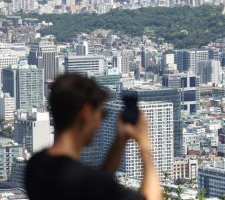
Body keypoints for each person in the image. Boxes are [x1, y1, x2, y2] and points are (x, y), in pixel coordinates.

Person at [25, 73, 162, 200]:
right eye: (102, 114)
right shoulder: (87, 182)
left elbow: (98, 186)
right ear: (86, 113)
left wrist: (119, 142)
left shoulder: (36, 166)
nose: (100, 122)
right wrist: (144, 144)